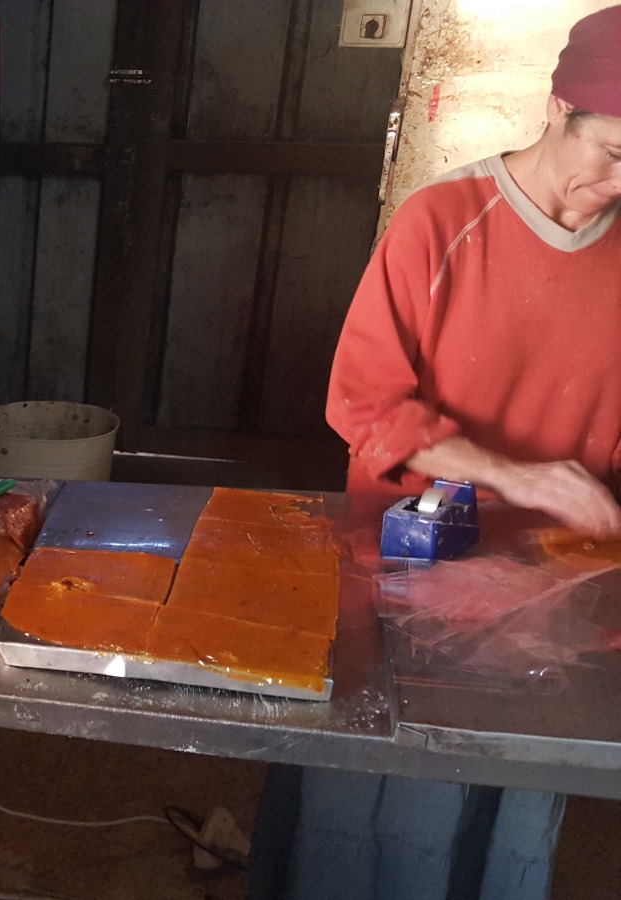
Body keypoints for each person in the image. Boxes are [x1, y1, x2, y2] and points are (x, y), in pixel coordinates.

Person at [250, 7, 621, 899]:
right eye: (610, 151)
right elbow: (362, 405)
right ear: (554, 108)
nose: (616, 182)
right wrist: (514, 473)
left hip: (558, 586)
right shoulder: (442, 220)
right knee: (371, 801)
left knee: (511, 804)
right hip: (410, 572)